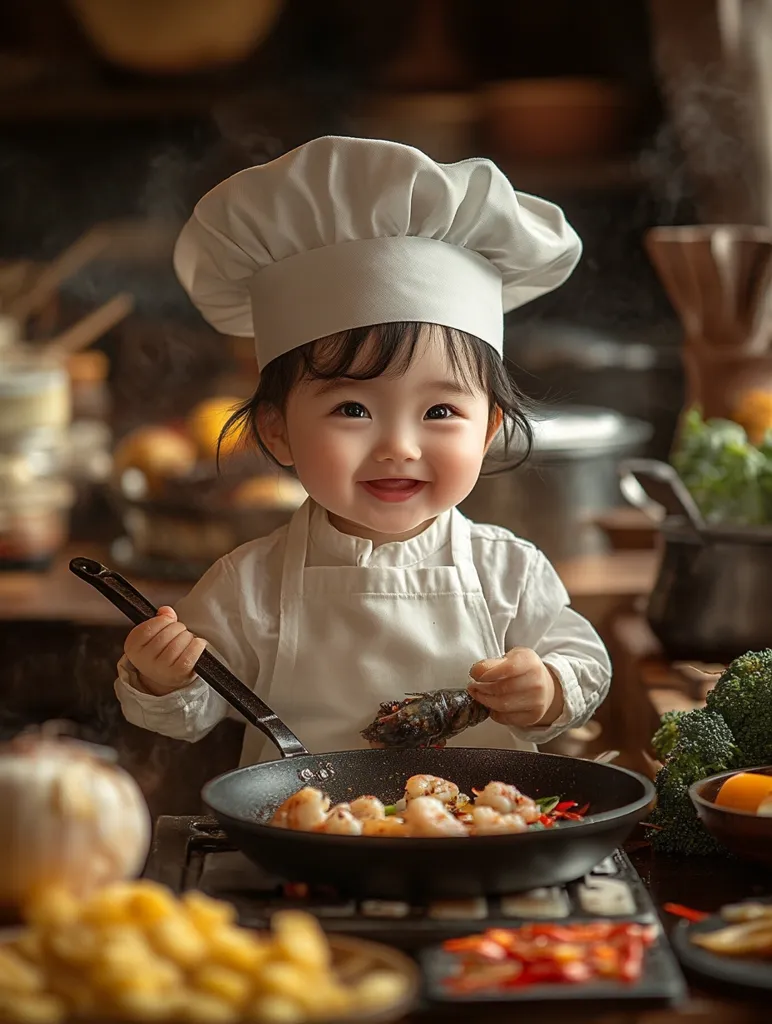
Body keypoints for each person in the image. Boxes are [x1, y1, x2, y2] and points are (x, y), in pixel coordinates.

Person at [115, 135, 611, 765]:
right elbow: (192, 712)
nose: (398, 448)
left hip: (482, 839)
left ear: (487, 431)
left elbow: (583, 662)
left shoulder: (510, 573)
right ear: (277, 432)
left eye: (439, 412)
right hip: (305, 840)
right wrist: (163, 677)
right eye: (352, 410)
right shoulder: (248, 586)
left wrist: (548, 690)